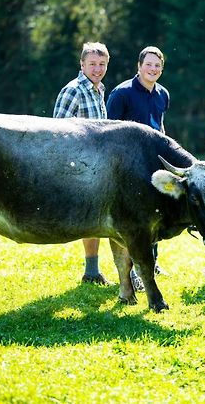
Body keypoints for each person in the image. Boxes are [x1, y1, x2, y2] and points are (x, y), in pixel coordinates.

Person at [106, 46, 170, 289]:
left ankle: (152, 262)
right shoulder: (121, 94)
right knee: (131, 219)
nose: (152, 69)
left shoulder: (163, 94)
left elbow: (160, 127)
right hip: (127, 168)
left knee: (154, 214)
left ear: (161, 70)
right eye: (149, 64)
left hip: (153, 165)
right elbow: (109, 132)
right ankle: (131, 271)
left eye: (157, 66)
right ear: (139, 66)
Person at [53, 41, 110, 285]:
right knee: (91, 217)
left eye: (102, 64)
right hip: (79, 164)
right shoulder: (73, 90)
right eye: (92, 64)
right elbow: (58, 130)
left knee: (96, 217)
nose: (97, 69)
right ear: (82, 64)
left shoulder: (99, 89)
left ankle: (92, 272)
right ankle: (91, 271)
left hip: (97, 165)